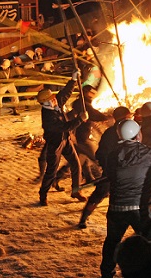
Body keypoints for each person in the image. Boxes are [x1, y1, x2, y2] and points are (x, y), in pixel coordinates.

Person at [99, 119, 151, 278]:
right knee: (150, 241)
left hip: (116, 208)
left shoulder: (113, 155)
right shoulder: (149, 153)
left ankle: (106, 272)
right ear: (138, 135)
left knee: (112, 241)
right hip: (139, 209)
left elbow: (110, 175)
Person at [37, 70, 88, 206]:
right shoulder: (48, 118)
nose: (54, 99)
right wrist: (80, 120)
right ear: (45, 103)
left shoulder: (55, 104)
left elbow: (65, 94)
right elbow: (64, 127)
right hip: (55, 144)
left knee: (76, 164)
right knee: (51, 171)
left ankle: (76, 190)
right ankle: (43, 194)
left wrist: (73, 79)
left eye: (53, 97)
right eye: (51, 99)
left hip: (66, 140)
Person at [78, 106, 133, 229]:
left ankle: (83, 219)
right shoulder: (132, 133)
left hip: (113, 172)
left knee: (99, 195)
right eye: (129, 117)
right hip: (119, 173)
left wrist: (106, 167)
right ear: (126, 117)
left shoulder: (110, 132)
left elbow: (100, 153)